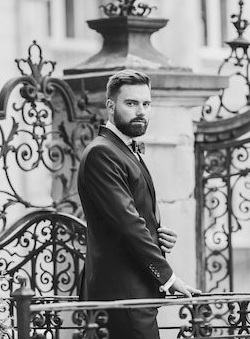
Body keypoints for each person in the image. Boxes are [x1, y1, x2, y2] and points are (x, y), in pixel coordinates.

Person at [77, 69, 200, 339]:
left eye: (146, 104)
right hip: (122, 297)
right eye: (131, 103)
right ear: (110, 106)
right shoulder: (102, 153)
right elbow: (128, 224)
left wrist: (158, 234)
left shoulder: (124, 150)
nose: (141, 111)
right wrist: (169, 278)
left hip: (135, 295)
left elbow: (135, 216)